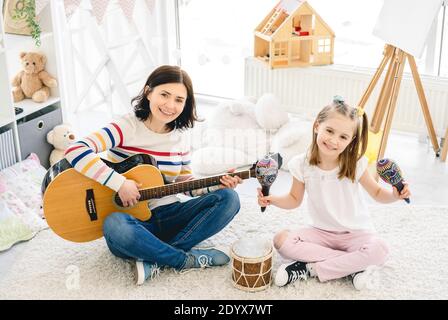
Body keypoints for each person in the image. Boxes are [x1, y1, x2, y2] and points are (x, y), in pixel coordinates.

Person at [65, 65, 242, 285]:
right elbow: (75, 150)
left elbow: (185, 185)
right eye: (164, 95)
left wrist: (216, 185)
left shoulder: (180, 138)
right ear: (149, 92)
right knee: (114, 225)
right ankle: (182, 259)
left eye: (179, 99)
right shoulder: (126, 126)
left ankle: (156, 257)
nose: (170, 105)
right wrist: (119, 183)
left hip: (170, 213)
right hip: (133, 222)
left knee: (229, 199)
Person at [257, 96, 411, 290]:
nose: (333, 140)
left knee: (380, 250)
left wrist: (395, 195)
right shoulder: (301, 164)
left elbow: (378, 192)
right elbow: (294, 199)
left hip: (356, 234)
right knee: (281, 240)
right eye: (329, 131)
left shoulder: (356, 164)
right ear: (316, 126)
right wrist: (271, 200)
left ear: (351, 140)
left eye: (343, 137)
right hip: (321, 233)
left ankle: (310, 268)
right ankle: (352, 266)